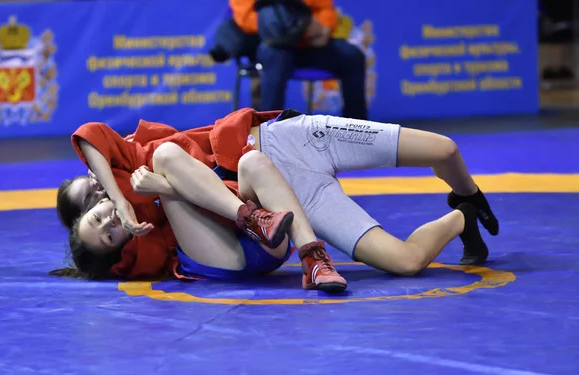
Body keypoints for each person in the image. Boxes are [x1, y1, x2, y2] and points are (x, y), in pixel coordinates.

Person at [57, 108, 495, 279]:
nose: (100, 195)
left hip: (282, 140)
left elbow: (91, 138)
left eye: (97, 201)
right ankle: (462, 220)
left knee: (445, 149)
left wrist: (113, 192)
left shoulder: (131, 161)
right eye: (91, 197)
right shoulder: (147, 229)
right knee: (406, 262)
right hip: (285, 200)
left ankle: (468, 198)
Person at [57, 124, 348, 292]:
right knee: (165, 159)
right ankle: (249, 218)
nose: (110, 222)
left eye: (97, 217)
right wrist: (162, 188)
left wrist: (121, 197)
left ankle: (313, 260)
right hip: (229, 256)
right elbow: (185, 211)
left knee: (252, 162)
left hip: (265, 235)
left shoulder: (124, 180)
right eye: (109, 235)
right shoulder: (138, 251)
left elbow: (89, 133)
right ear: (117, 251)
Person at [228, 0, 367, 119]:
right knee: (277, 58)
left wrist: (324, 28)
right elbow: (245, 19)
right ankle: (267, 131)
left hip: (308, 44)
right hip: (271, 42)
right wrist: (295, 24)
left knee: (352, 56)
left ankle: (358, 132)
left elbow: (326, 9)